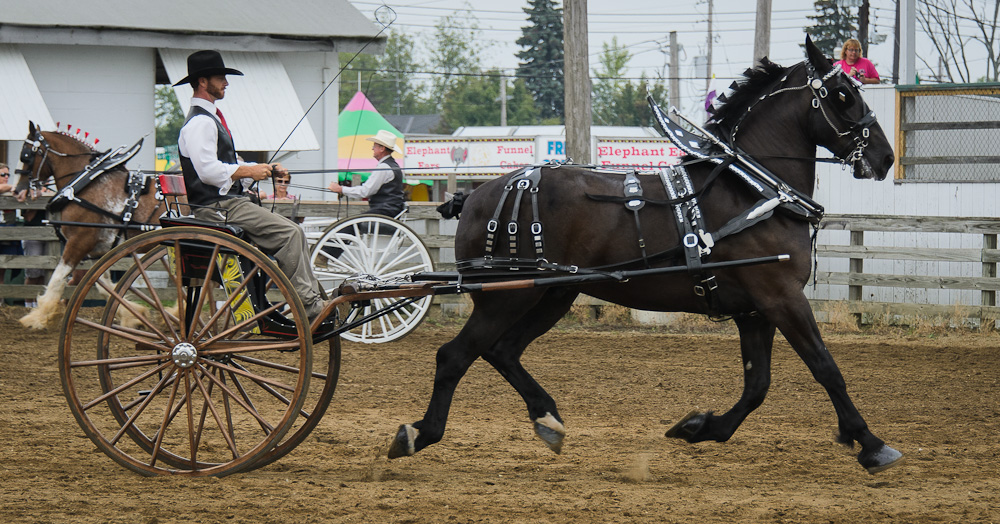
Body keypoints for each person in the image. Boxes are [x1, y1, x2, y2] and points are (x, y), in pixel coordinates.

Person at [175, 50, 328, 320]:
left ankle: (316, 300)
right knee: (291, 234)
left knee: (296, 232)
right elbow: (208, 171)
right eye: (220, 77)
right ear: (202, 81)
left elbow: (223, 169)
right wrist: (247, 169)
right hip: (218, 208)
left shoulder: (211, 119)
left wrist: (256, 172)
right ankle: (310, 305)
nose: (226, 83)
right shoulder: (200, 122)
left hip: (229, 202)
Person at [327, 129, 405, 218]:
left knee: (346, 228)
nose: (372, 148)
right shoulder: (392, 165)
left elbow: (365, 191)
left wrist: (341, 189)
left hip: (383, 211)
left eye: (374, 146)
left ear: (382, 148)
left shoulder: (384, 167)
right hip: (387, 210)